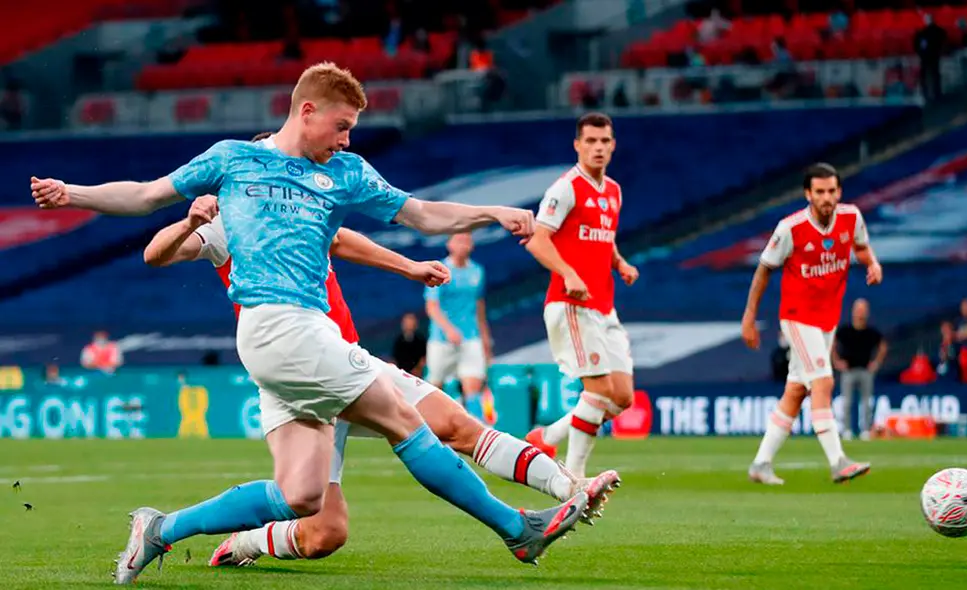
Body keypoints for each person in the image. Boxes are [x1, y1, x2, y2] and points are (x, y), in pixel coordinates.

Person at [31, 62, 590, 584]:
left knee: (303, 498)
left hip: (306, 339)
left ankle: (160, 529)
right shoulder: (231, 160)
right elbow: (145, 197)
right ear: (306, 112)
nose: (347, 139)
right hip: (279, 327)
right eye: (341, 126)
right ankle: (519, 530)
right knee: (407, 420)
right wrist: (72, 193)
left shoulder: (344, 173)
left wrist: (490, 213)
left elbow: (419, 213)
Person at [143, 195, 621, 568]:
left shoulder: (301, 208)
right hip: (305, 383)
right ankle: (240, 537)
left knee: (456, 425)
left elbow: (344, 241)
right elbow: (158, 253)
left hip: (349, 362)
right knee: (323, 532)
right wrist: (189, 221)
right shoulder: (229, 223)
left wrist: (409, 266)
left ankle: (566, 490)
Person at [742, 163, 883, 486]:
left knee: (796, 390)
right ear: (808, 194)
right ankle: (838, 461)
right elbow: (763, 270)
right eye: (819, 192)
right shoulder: (790, 229)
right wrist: (749, 317)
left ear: (839, 192)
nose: (826, 198)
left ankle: (761, 464)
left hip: (827, 319)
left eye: (832, 191)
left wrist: (872, 263)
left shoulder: (851, 218)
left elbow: (861, 246)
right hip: (797, 316)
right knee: (823, 382)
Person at [523, 112, 639, 478]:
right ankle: (572, 481)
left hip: (604, 305)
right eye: (590, 141)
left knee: (622, 397)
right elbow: (537, 241)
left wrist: (619, 262)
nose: (598, 148)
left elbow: (603, 237)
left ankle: (548, 436)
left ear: (614, 144)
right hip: (571, 304)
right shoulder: (566, 188)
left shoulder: (614, 191)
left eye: (604, 141)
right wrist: (569, 273)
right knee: (599, 390)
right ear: (577, 145)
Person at [424, 233, 492, 421]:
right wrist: (448, 329)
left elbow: (479, 306)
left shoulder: (477, 271)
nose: (464, 245)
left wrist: (485, 338)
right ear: (449, 244)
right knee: (434, 386)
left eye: (468, 241)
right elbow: (432, 306)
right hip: (441, 339)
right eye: (459, 241)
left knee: (473, 385)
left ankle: (478, 434)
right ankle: (428, 428)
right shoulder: (439, 269)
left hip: (471, 337)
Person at [832, 298, 887, 441]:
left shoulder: (871, 332)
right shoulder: (845, 330)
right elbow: (832, 343)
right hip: (848, 371)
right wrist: (836, 361)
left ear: (867, 312)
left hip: (865, 371)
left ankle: (866, 430)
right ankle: (847, 430)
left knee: (867, 402)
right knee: (847, 402)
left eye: (863, 309)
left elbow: (883, 346)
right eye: (858, 309)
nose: (860, 313)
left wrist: (876, 363)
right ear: (853, 311)